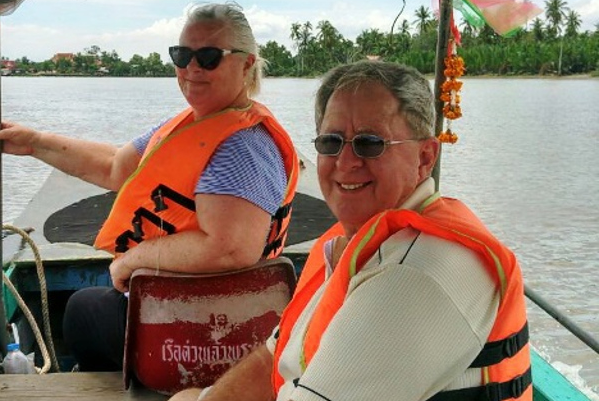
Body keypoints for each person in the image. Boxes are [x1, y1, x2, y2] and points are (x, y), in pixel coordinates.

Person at [169, 60, 531, 401]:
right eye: (331, 142)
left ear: (425, 158)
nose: (346, 162)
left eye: (370, 143)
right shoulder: (354, 242)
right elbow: (273, 358)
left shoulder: (417, 273)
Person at [0, 2, 299, 372]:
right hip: (184, 308)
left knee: (82, 311)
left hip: (211, 327)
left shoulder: (242, 148)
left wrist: (132, 260)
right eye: (182, 55)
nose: (192, 68)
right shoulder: (187, 126)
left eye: (210, 56)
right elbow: (117, 167)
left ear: (247, 64)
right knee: (92, 305)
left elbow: (230, 249)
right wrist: (36, 143)